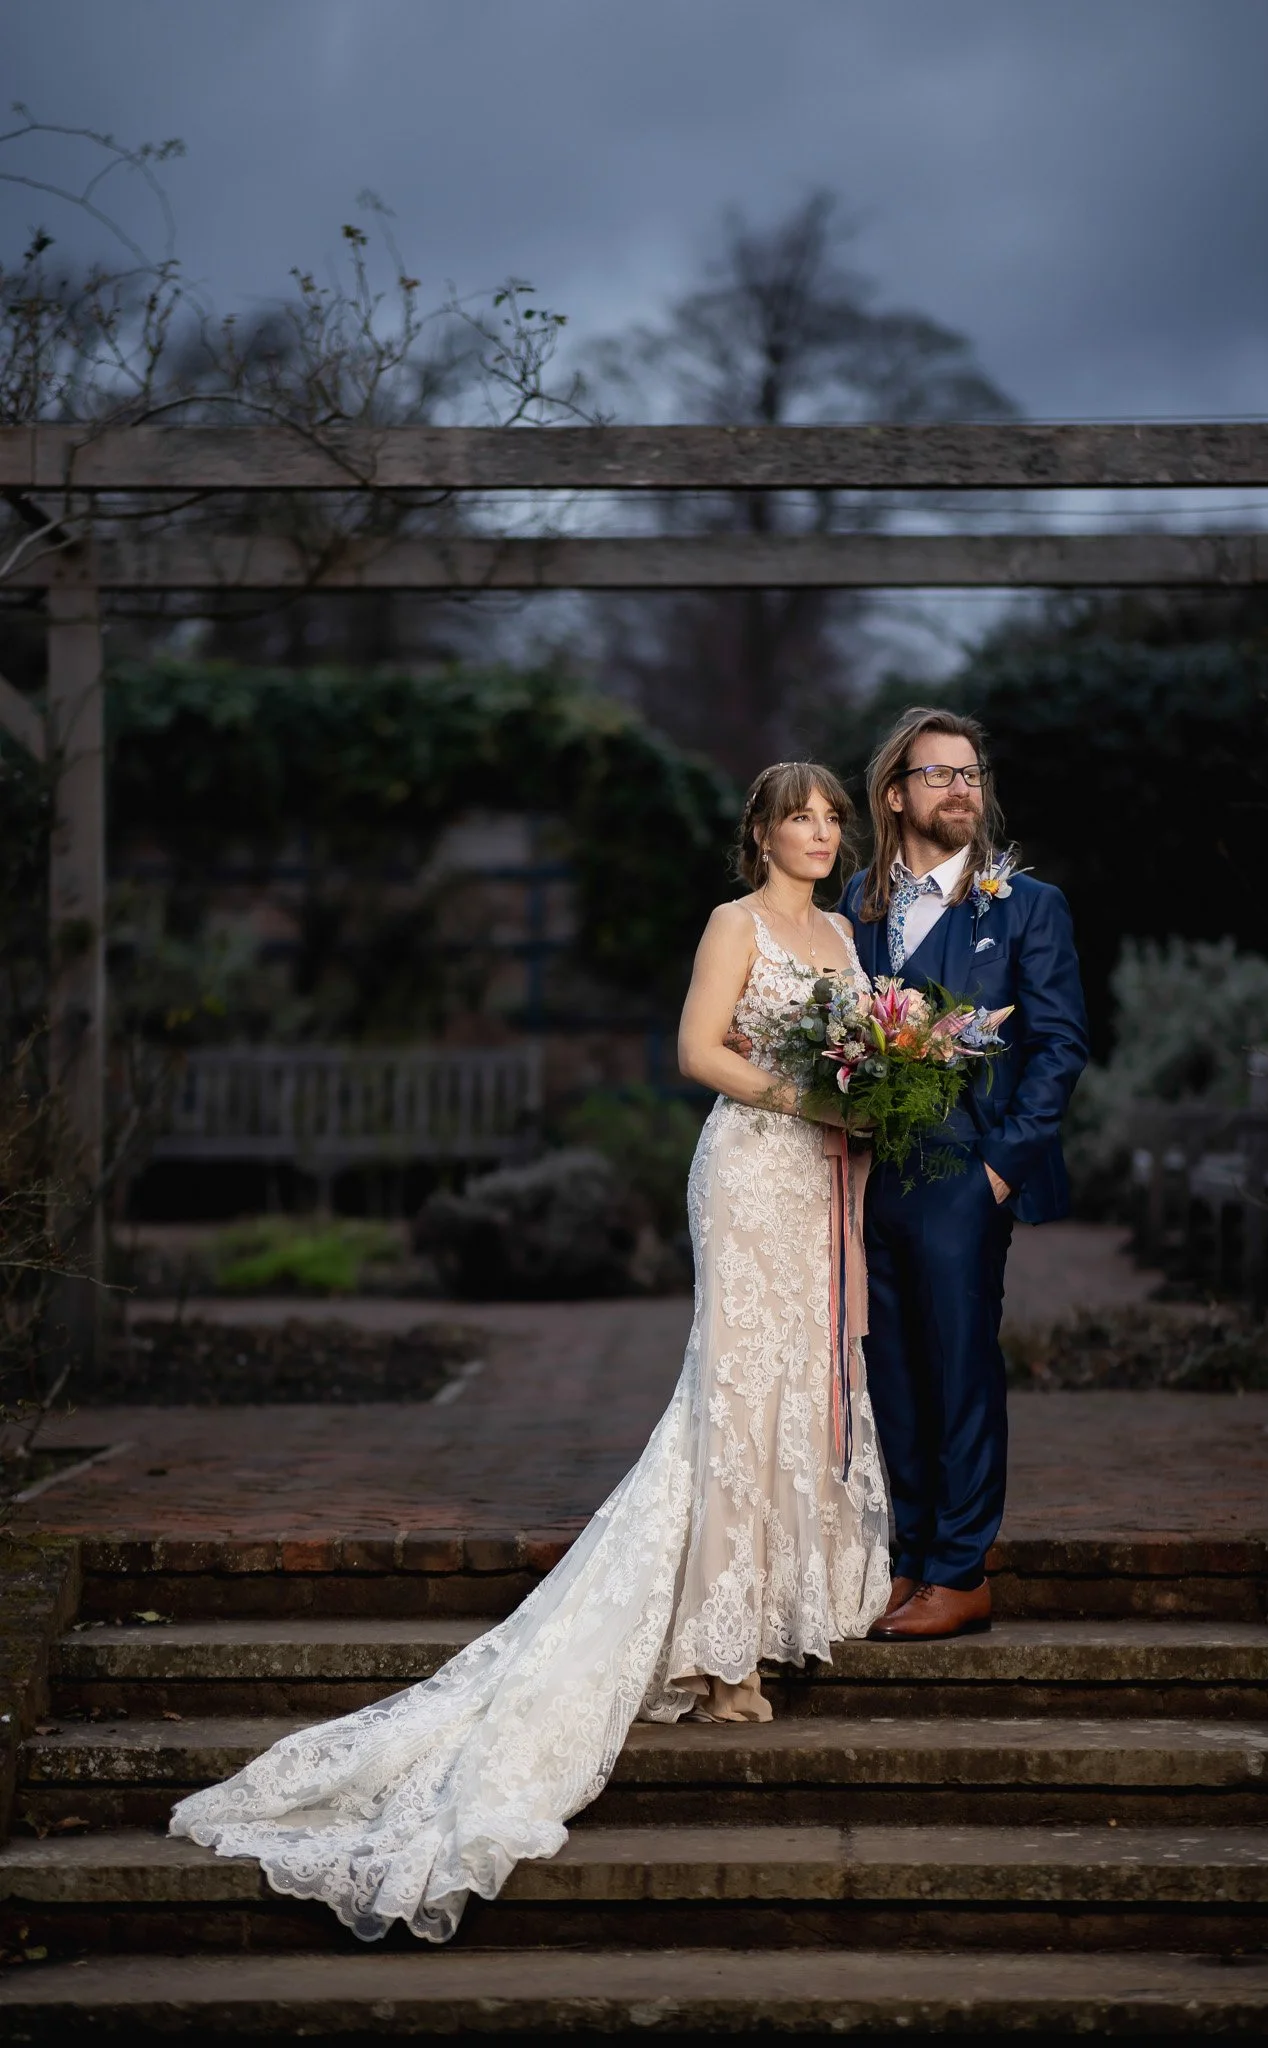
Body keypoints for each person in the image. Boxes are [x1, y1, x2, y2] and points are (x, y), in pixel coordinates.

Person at [170, 761, 889, 1944]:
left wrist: (869, 1100)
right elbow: (697, 1050)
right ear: (759, 831)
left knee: (798, 1389)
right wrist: (807, 1097)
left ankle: (760, 1616)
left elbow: (857, 1054)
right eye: (799, 815)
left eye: (829, 816)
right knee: (733, 1391)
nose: (818, 831)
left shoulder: (848, 937)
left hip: (819, 1186)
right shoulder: (737, 922)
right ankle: (720, 1663)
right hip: (754, 1169)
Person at [838, 707, 1087, 1642]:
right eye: (938, 774)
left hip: (964, 1171)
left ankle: (961, 1569)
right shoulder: (853, 907)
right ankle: (907, 1559)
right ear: (895, 794)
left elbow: (1059, 1045)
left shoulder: (1026, 905)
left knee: (959, 1367)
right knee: (888, 1371)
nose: (961, 789)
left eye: (972, 773)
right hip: (867, 1175)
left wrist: (999, 1170)